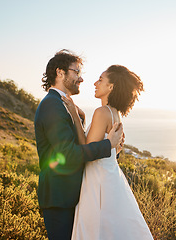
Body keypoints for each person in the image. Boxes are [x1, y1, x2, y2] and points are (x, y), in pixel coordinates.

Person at [34, 50, 124, 240]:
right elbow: (67, 154)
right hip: (60, 199)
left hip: (73, 197)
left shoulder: (64, 104)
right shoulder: (52, 105)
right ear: (60, 73)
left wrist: (112, 147)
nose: (81, 79)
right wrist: (108, 145)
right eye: (77, 72)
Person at [62, 65, 154, 240]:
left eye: (101, 80)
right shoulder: (115, 114)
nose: (95, 83)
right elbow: (104, 145)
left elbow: (86, 148)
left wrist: (74, 115)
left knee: (97, 230)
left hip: (98, 180)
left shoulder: (102, 112)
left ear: (111, 87)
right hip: (110, 177)